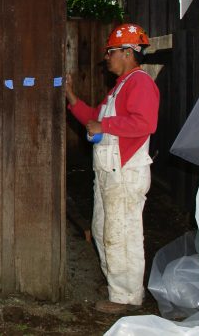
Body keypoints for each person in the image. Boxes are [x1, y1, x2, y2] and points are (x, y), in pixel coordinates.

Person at [65, 23, 160, 315]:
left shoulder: (141, 83)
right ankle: (117, 287)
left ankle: (125, 297)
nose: (107, 57)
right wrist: (71, 97)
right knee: (103, 228)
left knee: (121, 233)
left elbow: (145, 123)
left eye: (112, 52)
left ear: (129, 53)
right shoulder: (120, 87)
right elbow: (95, 118)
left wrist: (104, 125)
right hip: (109, 174)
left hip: (125, 172)